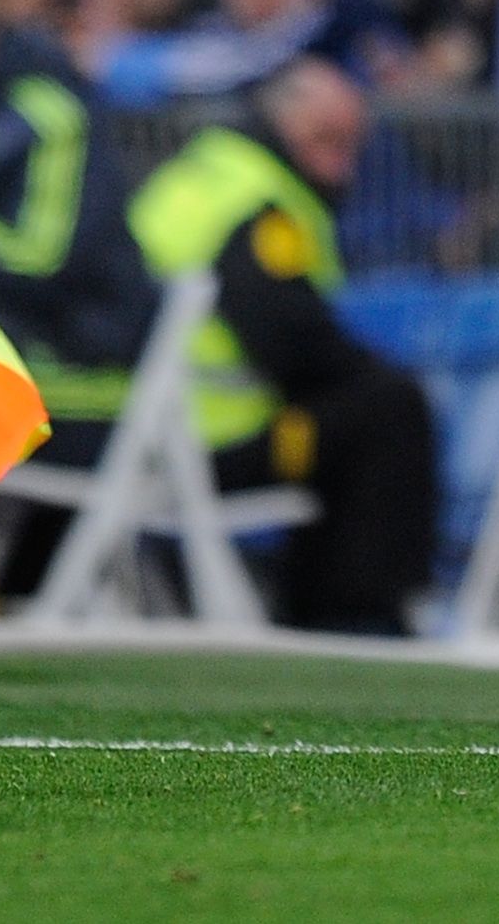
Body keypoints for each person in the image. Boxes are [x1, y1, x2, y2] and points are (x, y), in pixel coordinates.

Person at [125, 56, 436, 632]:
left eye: (351, 145)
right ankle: (357, 618)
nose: (342, 165)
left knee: (356, 409)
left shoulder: (204, 171)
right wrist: (363, 367)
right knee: (389, 407)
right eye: (327, 140)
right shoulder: (261, 202)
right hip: (213, 441)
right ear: (284, 121)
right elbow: (294, 341)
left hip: (144, 425)